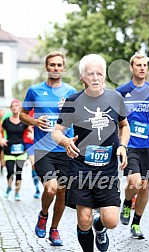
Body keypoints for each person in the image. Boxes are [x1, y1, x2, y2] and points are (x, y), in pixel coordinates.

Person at [51, 53, 130, 252]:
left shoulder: (115, 97)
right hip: (80, 167)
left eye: (99, 73)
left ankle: (100, 227)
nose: (95, 77)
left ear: (104, 76)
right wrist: (65, 141)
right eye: (90, 74)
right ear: (82, 78)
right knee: (84, 219)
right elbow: (56, 132)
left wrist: (122, 145)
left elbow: (124, 125)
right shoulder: (73, 101)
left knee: (111, 221)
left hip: (107, 168)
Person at [19, 51, 76, 246]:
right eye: (52, 65)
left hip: (65, 149)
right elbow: (22, 115)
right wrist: (34, 121)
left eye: (59, 65)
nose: (56, 68)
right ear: (46, 67)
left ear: (63, 67)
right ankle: (43, 215)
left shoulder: (70, 92)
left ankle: (54, 229)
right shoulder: (34, 90)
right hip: (43, 149)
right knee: (50, 188)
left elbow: (80, 118)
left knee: (62, 192)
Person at [116, 53, 149, 239]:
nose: (142, 68)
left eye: (145, 65)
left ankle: (136, 224)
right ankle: (128, 201)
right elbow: (113, 118)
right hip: (129, 144)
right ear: (131, 68)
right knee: (135, 182)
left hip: (148, 143)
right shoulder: (121, 92)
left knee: (145, 186)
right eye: (138, 65)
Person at [0, 100, 28, 200]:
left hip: (21, 151)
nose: (15, 107)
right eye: (13, 106)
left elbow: (31, 130)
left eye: (16, 106)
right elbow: (1, 131)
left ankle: (17, 193)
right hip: (9, 150)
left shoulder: (24, 121)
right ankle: (9, 187)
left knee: (19, 173)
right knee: (10, 172)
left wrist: (32, 134)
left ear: (20, 107)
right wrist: (1, 139)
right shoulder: (6, 121)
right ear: (11, 108)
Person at [23, 108, 40, 198]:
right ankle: (37, 187)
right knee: (33, 163)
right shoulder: (26, 110)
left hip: (41, 142)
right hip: (29, 142)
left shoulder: (42, 108)